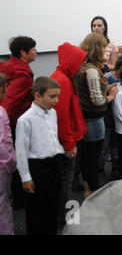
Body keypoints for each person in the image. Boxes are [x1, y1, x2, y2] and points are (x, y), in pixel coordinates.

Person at [15, 77, 64, 235]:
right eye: (51, 96)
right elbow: (21, 150)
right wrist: (25, 177)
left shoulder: (53, 113)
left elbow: (52, 137)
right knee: (36, 210)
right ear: (37, 96)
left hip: (54, 165)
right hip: (37, 169)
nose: (56, 100)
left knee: (52, 206)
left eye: (57, 96)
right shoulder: (25, 120)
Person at [50, 42, 87, 230]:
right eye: (80, 63)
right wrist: (69, 143)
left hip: (67, 138)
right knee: (65, 181)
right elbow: (61, 117)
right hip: (66, 141)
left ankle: (60, 217)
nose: (81, 68)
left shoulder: (62, 78)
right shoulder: (63, 82)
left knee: (63, 181)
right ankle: (62, 221)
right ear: (72, 63)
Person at [77, 33, 118, 198]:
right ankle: (92, 189)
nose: (106, 50)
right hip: (93, 120)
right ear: (96, 48)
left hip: (87, 118)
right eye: (103, 47)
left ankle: (89, 186)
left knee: (88, 155)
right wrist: (111, 95)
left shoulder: (84, 67)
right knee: (93, 156)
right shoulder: (92, 71)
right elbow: (97, 100)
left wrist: (106, 88)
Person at [0, 36, 36, 210]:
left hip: (12, 123)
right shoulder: (21, 75)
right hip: (14, 124)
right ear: (23, 52)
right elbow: (9, 103)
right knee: (18, 160)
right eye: (33, 49)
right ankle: (20, 201)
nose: (36, 51)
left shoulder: (10, 66)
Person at [100, 55, 122, 176]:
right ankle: (100, 168)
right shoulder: (108, 78)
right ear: (121, 67)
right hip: (108, 116)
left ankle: (116, 166)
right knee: (105, 144)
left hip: (119, 118)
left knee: (117, 144)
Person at [0, 73, 16, 235]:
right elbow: (2, 144)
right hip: (2, 167)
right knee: (2, 206)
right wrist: (11, 163)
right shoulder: (1, 112)